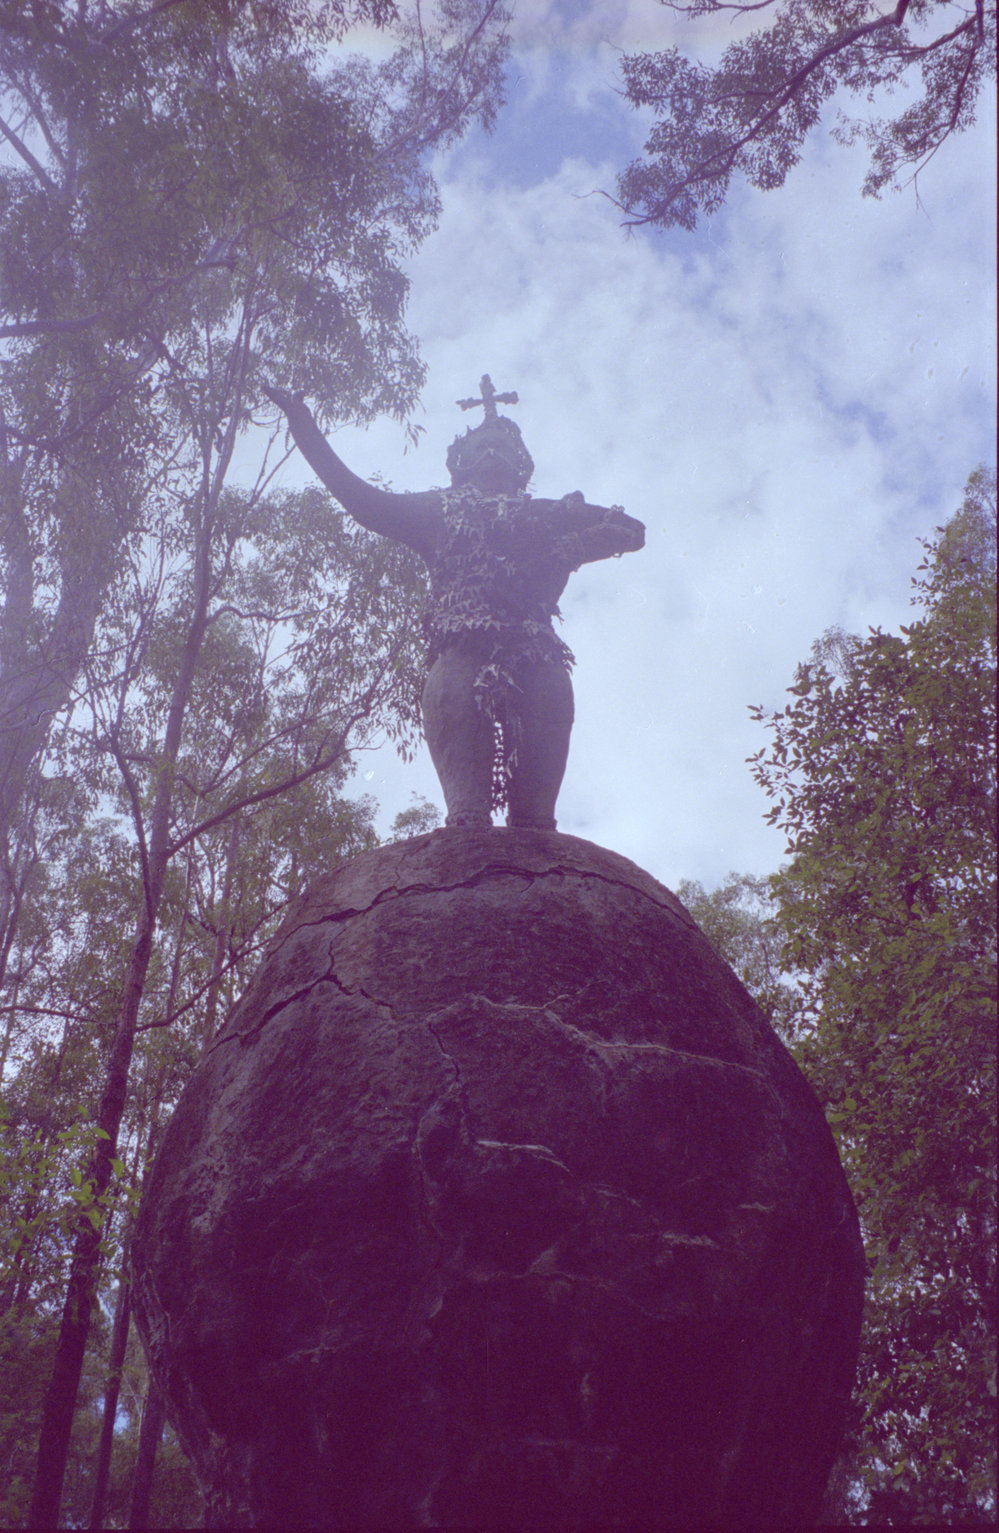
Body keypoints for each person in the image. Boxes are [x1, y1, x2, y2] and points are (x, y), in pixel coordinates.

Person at [265, 376, 645, 829]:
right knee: (468, 816)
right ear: (461, 462)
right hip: (461, 650)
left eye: (502, 445)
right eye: (482, 445)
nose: (492, 453)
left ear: (520, 462)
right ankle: (467, 833)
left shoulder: (545, 512)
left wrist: (578, 535)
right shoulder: (438, 509)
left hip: (537, 653)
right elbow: (363, 502)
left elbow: (634, 531)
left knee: (537, 820)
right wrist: (305, 430)